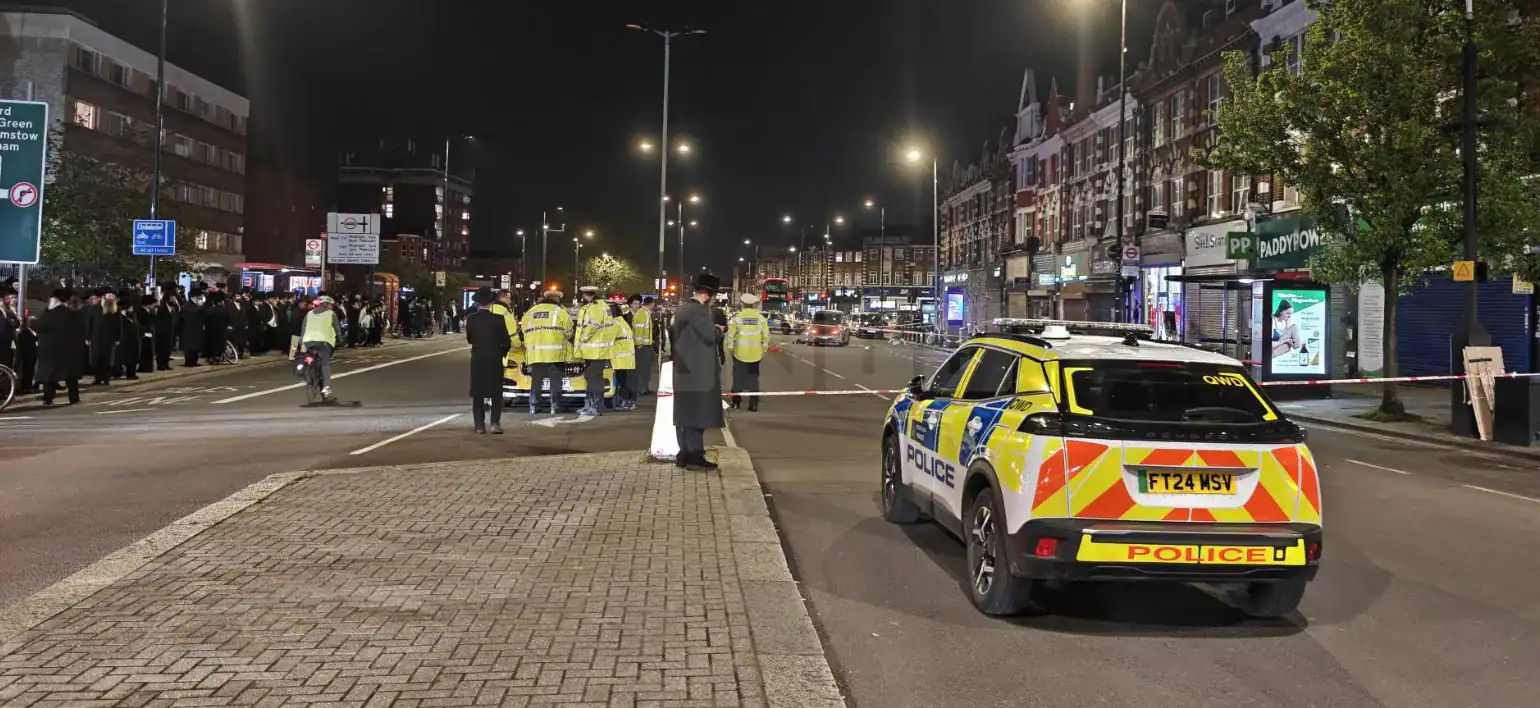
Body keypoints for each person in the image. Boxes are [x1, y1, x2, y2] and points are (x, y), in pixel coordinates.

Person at [672, 273, 726, 470]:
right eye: (713, 297)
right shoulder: (699, 311)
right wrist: (719, 330)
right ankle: (695, 455)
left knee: (684, 415)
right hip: (699, 373)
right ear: (707, 295)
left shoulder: (681, 309)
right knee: (698, 414)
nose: (713, 301)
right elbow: (710, 336)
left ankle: (684, 454)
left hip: (682, 370)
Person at [465, 287, 512, 434]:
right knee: (496, 393)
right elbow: (506, 342)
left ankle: (479, 426)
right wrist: (501, 354)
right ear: (491, 303)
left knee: (478, 393)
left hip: (478, 357)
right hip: (494, 357)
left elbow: (469, 339)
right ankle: (494, 424)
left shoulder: (471, 319)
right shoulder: (499, 319)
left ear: (478, 303)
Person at [519, 289, 573, 415]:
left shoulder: (531, 312)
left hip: (536, 353)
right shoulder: (560, 312)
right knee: (555, 381)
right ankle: (554, 406)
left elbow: (524, 330)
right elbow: (569, 331)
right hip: (555, 354)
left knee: (536, 380)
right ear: (556, 299)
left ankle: (533, 405)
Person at [36, 288, 84, 406]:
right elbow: (79, 331)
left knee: (49, 375)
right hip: (67, 349)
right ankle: (74, 398)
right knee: (70, 376)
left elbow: (38, 327)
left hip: (48, 349)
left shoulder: (45, 315)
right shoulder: (72, 315)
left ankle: (48, 398)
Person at [573, 286, 615, 416]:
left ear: (586, 295)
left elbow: (593, 325)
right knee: (591, 377)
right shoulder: (600, 306)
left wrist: (583, 337)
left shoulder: (595, 307)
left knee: (594, 378)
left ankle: (595, 406)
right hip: (594, 350)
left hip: (596, 350)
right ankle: (590, 405)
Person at [725, 293, 768, 412]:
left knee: (738, 379)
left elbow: (730, 336)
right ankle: (753, 405)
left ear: (742, 304)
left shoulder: (737, 318)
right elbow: (766, 336)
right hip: (755, 355)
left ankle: (736, 403)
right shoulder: (760, 318)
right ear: (754, 304)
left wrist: (731, 350)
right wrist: (763, 351)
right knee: (753, 379)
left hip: (739, 354)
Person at [299, 295, 344, 400]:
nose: (332, 307)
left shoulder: (309, 314)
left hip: (308, 341)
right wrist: (340, 339)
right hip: (324, 341)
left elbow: (303, 328)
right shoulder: (331, 314)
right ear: (327, 304)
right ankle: (326, 387)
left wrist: (302, 341)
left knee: (311, 357)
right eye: (331, 305)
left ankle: (309, 370)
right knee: (324, 363)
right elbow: (337, 329)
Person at [85, 291, 120, 386]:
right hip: (96, 337)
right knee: (96, 359)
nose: (111, 297)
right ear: (104, 296)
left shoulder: (115, 309)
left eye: (113, 296)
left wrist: (118, 338)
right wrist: (87, 337)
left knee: (107, 360)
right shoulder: (94, 308)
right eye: (109, 295)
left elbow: (118, 325)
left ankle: (106, 378)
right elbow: (89, 323)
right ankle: (98, 378)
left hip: (110, 338)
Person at [609, 302, 637, 411]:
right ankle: (629, 401)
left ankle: (625, 401)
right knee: (627, 380)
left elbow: (609, 339)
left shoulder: (614, 323)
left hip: (620, 357)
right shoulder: (622, 322)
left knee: (622, 381)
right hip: (627, 356)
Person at [629, 294, 656, 395]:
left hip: (645, 346)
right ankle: (641, 389)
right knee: (642, 368)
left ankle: (644, 388)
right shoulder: (643, 313)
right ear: (652, 303)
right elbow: (638, 329)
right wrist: (639, 344)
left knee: (645, 368)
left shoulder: (645, 313)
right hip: (642, 347)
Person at [113, 291, 141, 380]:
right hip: (123, 340)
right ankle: (116, 373)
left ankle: (131, 374)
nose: (132, 308)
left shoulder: (132, 315)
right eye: (130, 306)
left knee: (132, 359)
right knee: (120, 358)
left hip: (133, 340)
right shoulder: (118, 316)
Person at [181, 289, 206, 367]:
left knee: (196, 348)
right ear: (194, 297)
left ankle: (194, 361)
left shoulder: (197, 306)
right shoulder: (188, 306)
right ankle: (189, 362)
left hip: (197, 330)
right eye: (199, 297)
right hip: (189, 331)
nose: (201, 299)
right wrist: (200, 307)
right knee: (190, 348)